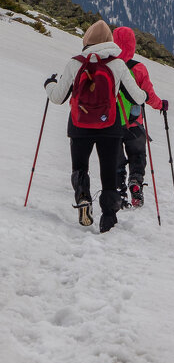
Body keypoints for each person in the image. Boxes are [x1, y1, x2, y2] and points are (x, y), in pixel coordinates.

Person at [44, 20, 147, 233]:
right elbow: (137, 97)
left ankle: (83, 198)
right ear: (110, 41)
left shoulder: (75, 63)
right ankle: (108, 219)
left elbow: (57, 98)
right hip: (110, 127)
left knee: (80, 167)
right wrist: (145, 94)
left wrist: (50, 84)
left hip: (79, 125)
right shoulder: (117, 64)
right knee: (108, 173)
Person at [112, 27, 166, 209]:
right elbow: (149, 95)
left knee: (116, 160)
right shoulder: (138, 68)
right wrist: (161, 105)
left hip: (111, 123)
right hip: (135, 123)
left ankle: (119, 194)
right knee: (137, 155)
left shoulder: (109, 66)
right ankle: (135, 182)